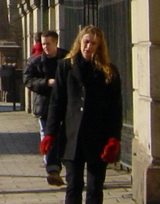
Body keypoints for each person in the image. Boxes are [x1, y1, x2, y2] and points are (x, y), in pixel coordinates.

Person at [43, 26, 122, 204]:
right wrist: (50, 134)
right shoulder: (66, 66)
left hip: (98, 137)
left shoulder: (109, 71)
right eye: (86, 42)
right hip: (73, 137)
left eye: (94, 43)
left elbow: (115, 108)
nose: (89, 47)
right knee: (74, 186)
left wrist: (113, 139)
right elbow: (57, 103)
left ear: (99, 46)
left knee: (95, 188)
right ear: (80, 42)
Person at [24, 29, 68, 186]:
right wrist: (46, 83)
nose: (45, 47)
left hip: (66, 105)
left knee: (67, 138)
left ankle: (69, 172)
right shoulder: (36, 61)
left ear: (56, 42)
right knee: (49, 137)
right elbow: (28, 80)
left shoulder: (67, 58)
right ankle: (53, 170)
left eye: (48, 44)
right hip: (45, 105)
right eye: (43, 44)